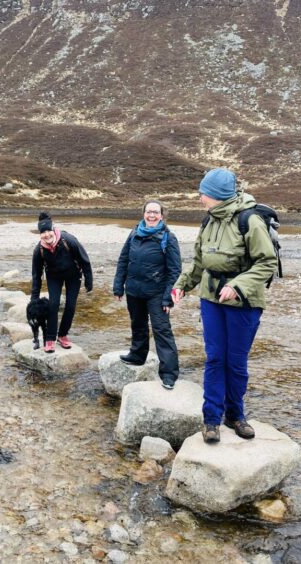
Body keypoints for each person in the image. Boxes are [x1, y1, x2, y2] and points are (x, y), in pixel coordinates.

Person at [172, 168, 277, 442]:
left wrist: (238, 286)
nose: (199, 198)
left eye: (204, 193)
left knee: (236, 362)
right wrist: (182, 285)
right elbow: (199, 262)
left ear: (218, 195)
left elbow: (267, 262)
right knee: (215, 358)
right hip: (211, 300)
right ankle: (211, 420)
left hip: (244, 302)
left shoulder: (249, 220)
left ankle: (235, 416)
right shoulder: (208, 221)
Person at [113, 200, 182, 390]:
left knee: (162, 330)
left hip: (157, 293)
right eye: (148, 212)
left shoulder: (168, 237)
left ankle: (168, 374)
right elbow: (123, 259)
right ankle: (137, 356)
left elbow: (175, 271)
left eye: (155, 212)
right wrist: (118, 286)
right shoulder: (134, 233)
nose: (151, 215)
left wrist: (168, 297)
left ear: (162, 215)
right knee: (138, 324)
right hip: (134, 290)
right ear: (143, 213)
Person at [31, 212, 93, 353]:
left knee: (70, 305)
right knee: (53, 304)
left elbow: (84, 259)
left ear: (53, 229)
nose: (46, 235)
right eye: (43, 232)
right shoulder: (39, 250)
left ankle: (63, 334)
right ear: (39, 234)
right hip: (54, 277)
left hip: (73, 275)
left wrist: (89, 280)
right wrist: (34, 299)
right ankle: (50, 338)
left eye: (48, 231)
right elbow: (36, 275)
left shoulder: (68, 240)